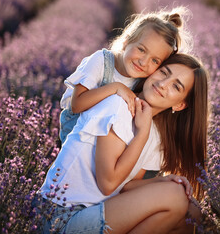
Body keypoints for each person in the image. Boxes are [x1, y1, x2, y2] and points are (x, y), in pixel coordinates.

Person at [37, 53, 208, 233]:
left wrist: (163, 182)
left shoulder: (157, 135)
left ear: (180, 105)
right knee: (174, 197)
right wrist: (142, 133)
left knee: (191, 210)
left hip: (93, 212)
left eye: (176, 86)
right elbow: (108, 183)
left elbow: (125, 186)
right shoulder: (119, 106)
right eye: (164, 72)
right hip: (59, 215)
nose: (163, 84)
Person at [59, 6, 193, 143]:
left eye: (154, 60)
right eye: (141, 49)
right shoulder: (101, 61)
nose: (143, 62)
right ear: (126, 41)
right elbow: (77, 105)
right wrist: (116, 88)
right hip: (76, 139)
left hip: (106, 141)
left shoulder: (144, 81)